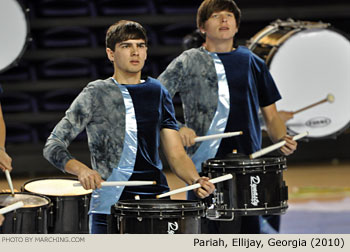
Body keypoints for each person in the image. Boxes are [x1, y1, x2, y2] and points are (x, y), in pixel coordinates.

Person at [43, 20, 215, 234]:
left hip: (156, 201)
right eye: (126, 46)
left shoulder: (158, 91)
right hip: (110, 206)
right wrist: (82, 170)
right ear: (111, 54)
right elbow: (53, 145)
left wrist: (195, 179)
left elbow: (176, 155)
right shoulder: (95, 93)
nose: (135, 52)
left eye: (140, 45)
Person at [158, 0, 297, 234]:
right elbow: (155, 101)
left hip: (248, 166)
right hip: (204, 167)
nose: (224, 20)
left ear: (236, 25)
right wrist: (178, 127)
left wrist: (283, 138)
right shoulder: (188, 61)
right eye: (216, 16)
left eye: (229, 16)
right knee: (205, 234)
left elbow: (271, 116)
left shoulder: (253, 62)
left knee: (248, 235)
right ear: (202, 27)